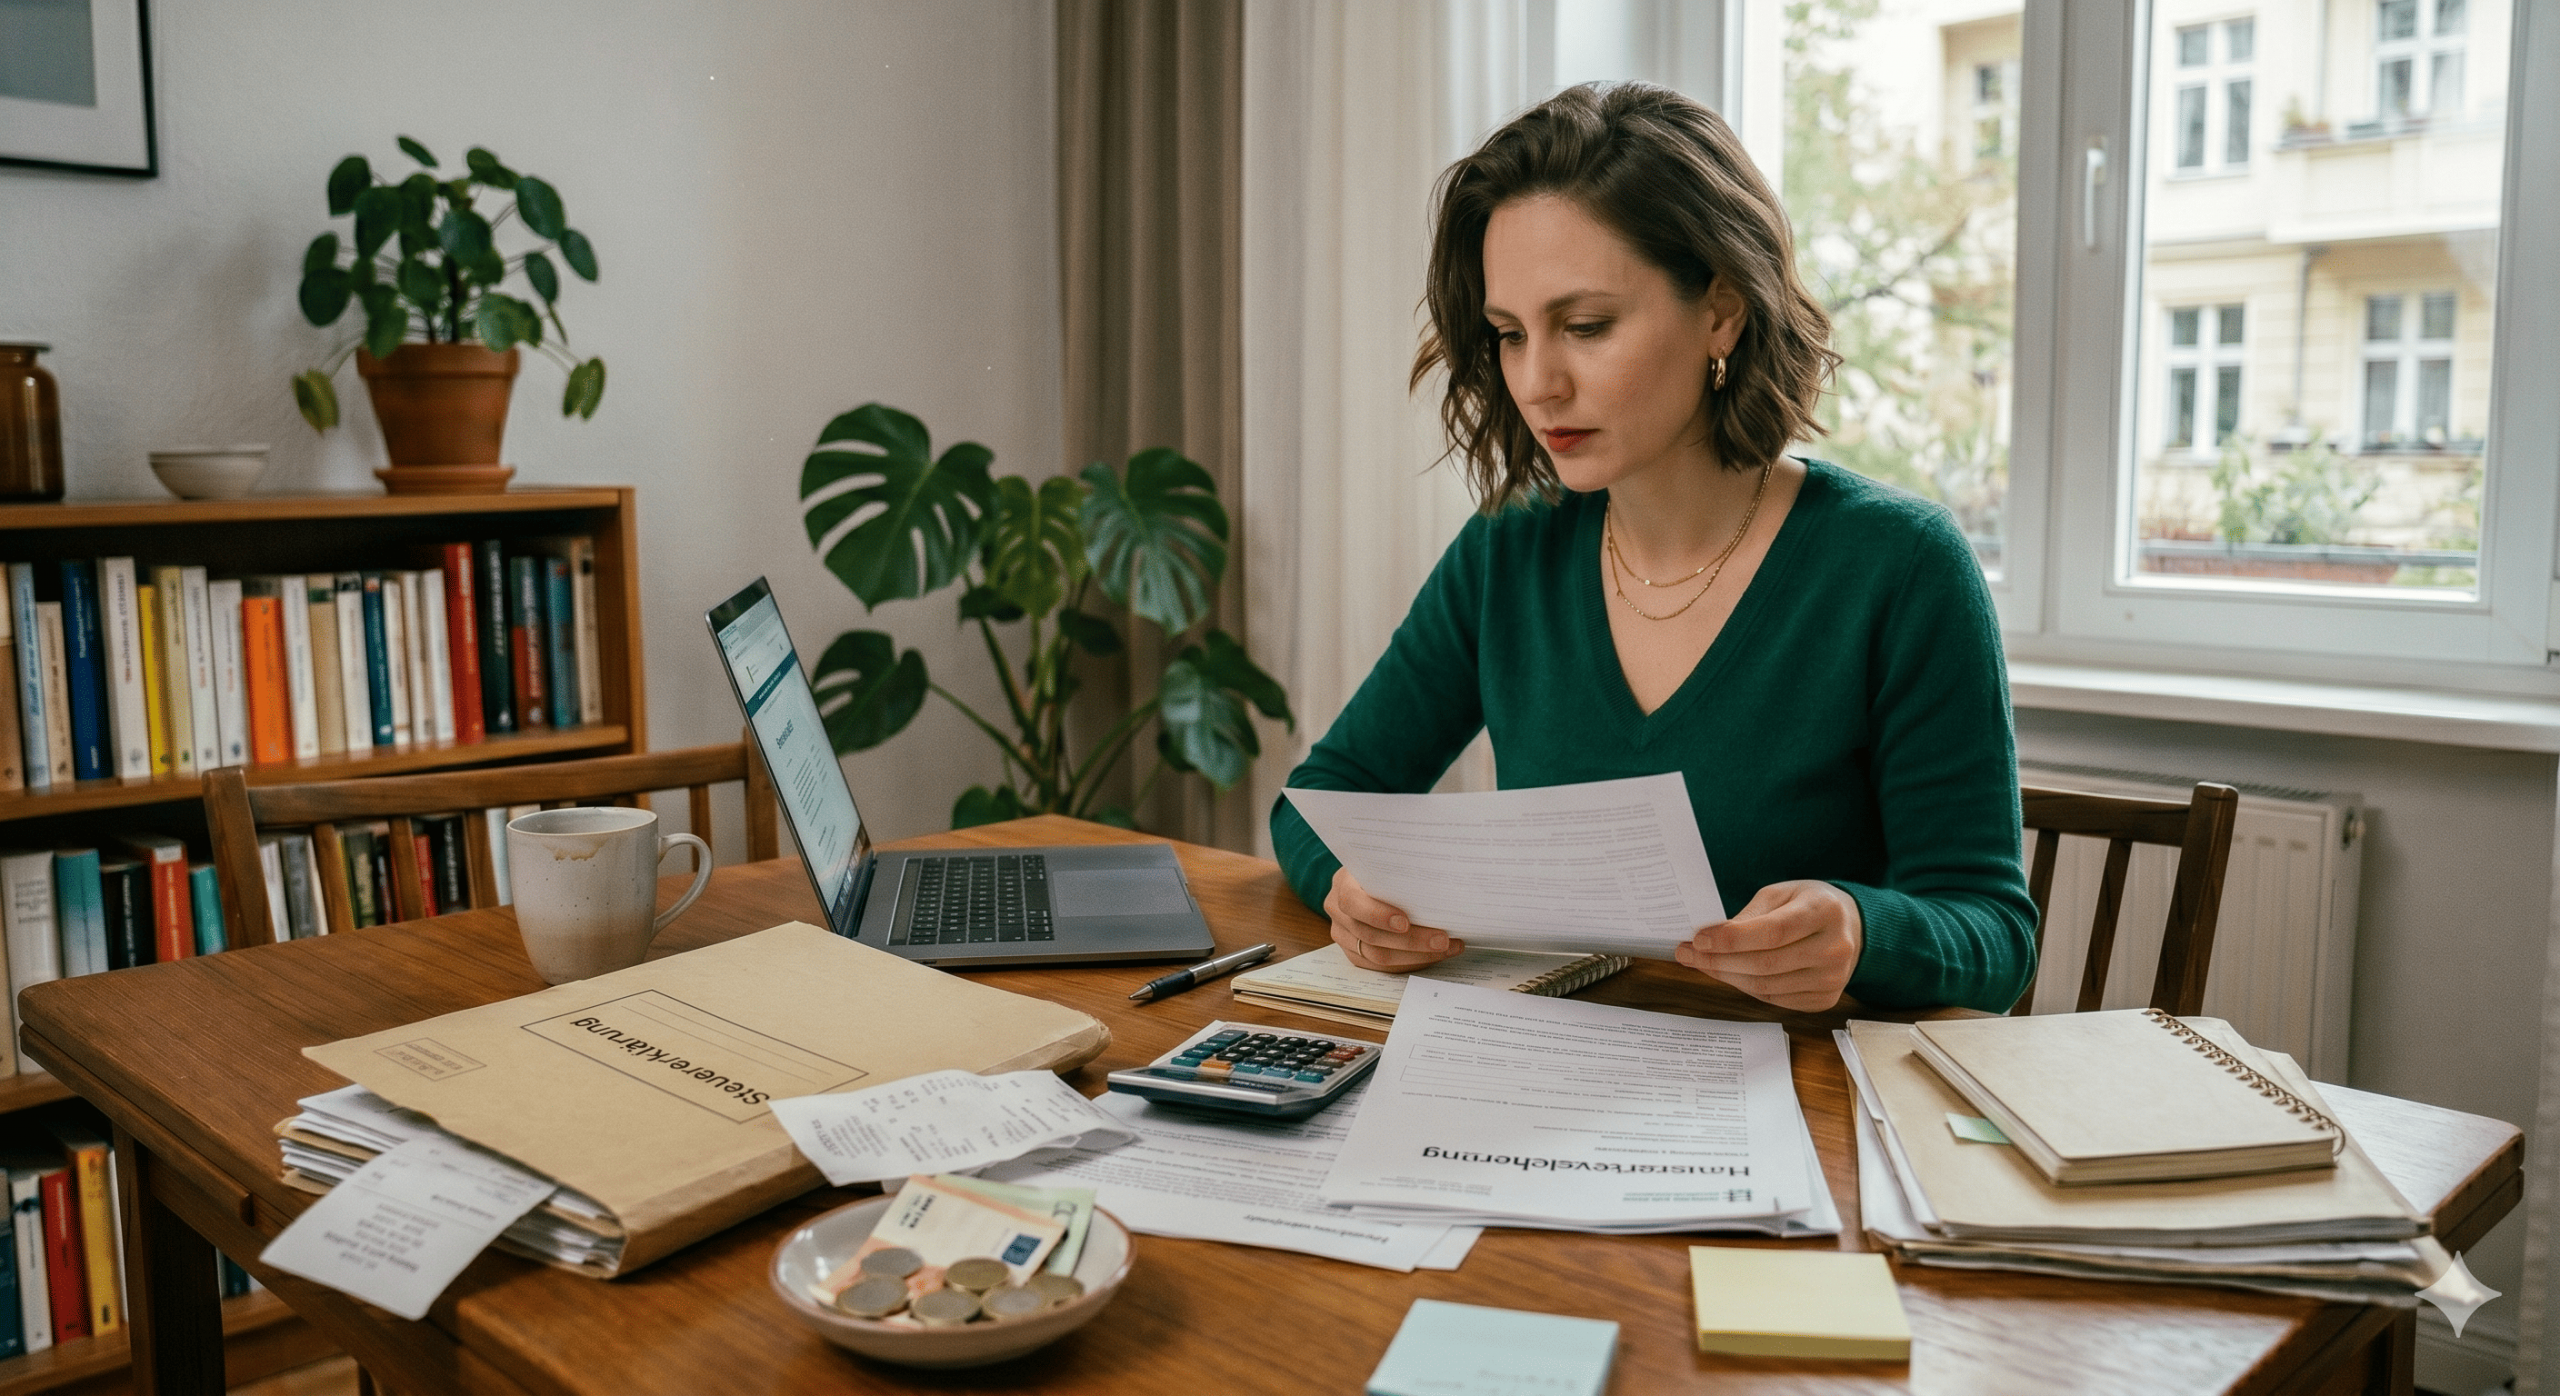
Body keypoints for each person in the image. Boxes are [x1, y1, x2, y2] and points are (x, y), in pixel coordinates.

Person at [1268, 82, 2036, 1015]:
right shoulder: (1509, 553)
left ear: (1721, 309)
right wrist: (1349, 887)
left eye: (1586, 327)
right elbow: (1320, 799)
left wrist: (1860, 928)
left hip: (1806, 1109)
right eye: (1510, 335)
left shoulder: (1901, 566)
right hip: (1553, 1082)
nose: (1538, 383)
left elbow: (1994, 932)